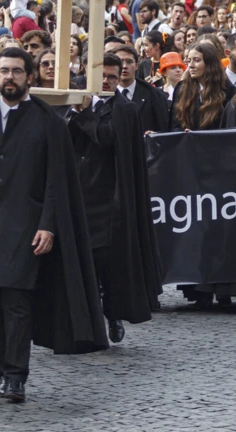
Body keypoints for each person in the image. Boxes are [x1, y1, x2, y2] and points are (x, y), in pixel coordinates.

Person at [0, 47, 107, 404]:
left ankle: (15, 377)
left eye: (16, 71)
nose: (9, 77)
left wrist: (48, 225)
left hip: (24, 225)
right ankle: (2, 371)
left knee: (16, 302)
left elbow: (56, 180)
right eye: (4, 71)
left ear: (30, 77)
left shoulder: (47, 121)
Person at [67, 53, 163, 344]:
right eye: (102, 76)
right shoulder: (74, 102)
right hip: (80, 193)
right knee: (84, 262)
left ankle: (112, 314)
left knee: (108, 263)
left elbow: (107, 137)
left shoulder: (124, 108)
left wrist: (84, 114)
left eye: (112, 76)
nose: (106, 82)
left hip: (110, 198)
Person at [170, 41, 228, 133]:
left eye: (196, 60)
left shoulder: (226, 89)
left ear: (210, 63)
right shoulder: (181, 89)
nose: (191, 65)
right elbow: (174, 125)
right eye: (189, 61)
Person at [110, 44, 170, 133]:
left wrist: (155, 135)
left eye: (129, 61)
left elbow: (165, 129)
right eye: (120, 62)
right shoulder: (104, 94)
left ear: (137, 65)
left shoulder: (153, 94)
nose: (124, 66)